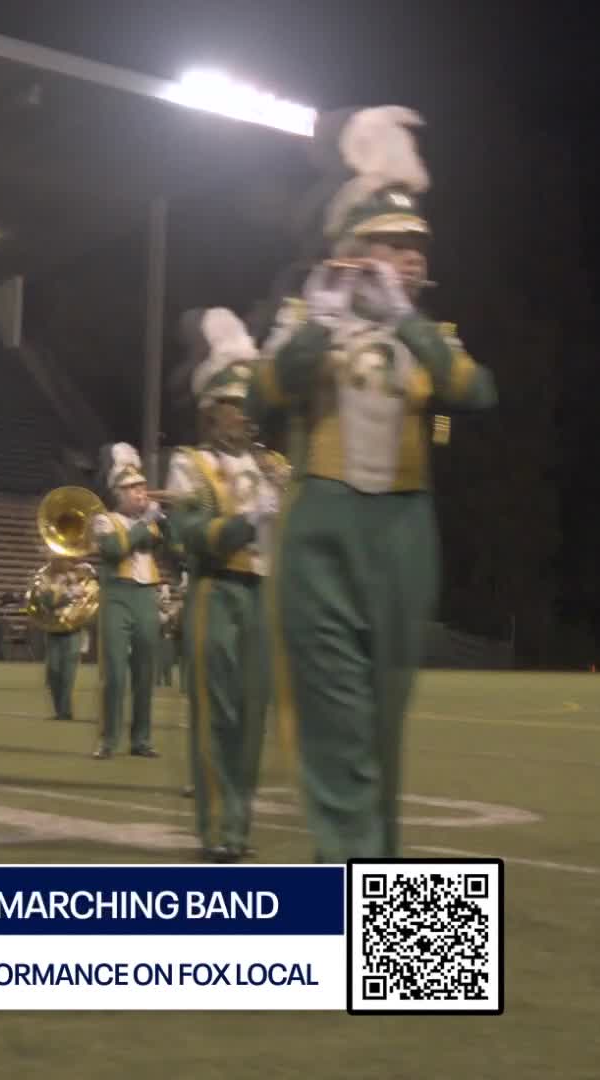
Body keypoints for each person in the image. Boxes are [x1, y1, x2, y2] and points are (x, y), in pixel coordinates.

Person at [248, 105, 498, 861]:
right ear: (353, 247)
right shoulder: (306, 317)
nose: (410, 255)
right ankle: (349, 885)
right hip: (322, 522)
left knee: (384, 724)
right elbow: (267, 392)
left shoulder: (430, 336)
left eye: (416, 243)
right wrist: (324, 321)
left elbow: (475, 391)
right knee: (336, 721)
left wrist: (406, 321)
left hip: (404, 529)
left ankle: (379, 902)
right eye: (391, 242)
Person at [168, 308, 278, 859]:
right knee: (217, 715)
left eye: (246, 402)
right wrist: (245, 521)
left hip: (263, 597)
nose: (243, 414)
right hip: (215, 590)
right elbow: (188, 532)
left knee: (253, 718)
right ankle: (215, 830)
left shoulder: (271, 467)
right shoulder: (189, 465)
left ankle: (239, 828)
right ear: (211, 410)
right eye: (233, 404)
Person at [91, 442, 165, 759]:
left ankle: (142, 740)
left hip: (146, 594)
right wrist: (147, 522)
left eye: (141, 488)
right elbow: (113, 549)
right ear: (118, 494)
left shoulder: (151, 521)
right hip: (117, 596)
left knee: (146, 672)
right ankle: (108, 739)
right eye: (132, 489)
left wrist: (162, 520)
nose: (140, 494)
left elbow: (168, 545)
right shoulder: (104, 520)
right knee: (115, 673)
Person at [36, 556, 92, 721]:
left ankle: (65, 712)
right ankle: (59, 709)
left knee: (68, 675)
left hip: (72, 631)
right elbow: (45, 601)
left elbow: (86, 603)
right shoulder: (46, 579)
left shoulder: (78, 580)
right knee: (53, 672)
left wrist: (74, 592)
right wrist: (66, 594)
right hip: (53, 630)